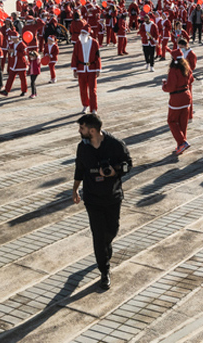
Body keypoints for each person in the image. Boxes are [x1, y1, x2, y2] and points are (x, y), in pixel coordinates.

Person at [71, 113, 133, 291]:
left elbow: (129, 164)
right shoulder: (82, 148)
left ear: (92, 130)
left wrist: (114, 172)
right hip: (92, 199)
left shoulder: (115, 145)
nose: (79, 131)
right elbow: (79, 169)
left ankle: (106, 247)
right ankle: (104, 271)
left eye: (82, 128)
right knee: (98, 236)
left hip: (112, 196)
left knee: (111, 230)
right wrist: (75, 190)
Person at [162, 50, 193, 154]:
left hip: (177, 97)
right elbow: (191, 80)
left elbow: (170, 87)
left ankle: (182, 142)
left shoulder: (173, 70)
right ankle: (180, 145)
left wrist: (164, 85)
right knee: (183, 123)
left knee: (172, 121)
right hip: (187, 95)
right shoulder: (187, 67)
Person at [71, 28, 101, 113]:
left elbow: (97, 56)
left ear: (88, 33)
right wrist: (74, 69)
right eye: (81, 33)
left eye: (84, 33)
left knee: (93, 90)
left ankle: (93, 108)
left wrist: (98, 68)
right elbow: (74, 56)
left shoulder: (94, 43)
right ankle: (85, 105)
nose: (82, 34)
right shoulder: (78, 43)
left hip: (92, 69)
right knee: (83, 89)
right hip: (81, 69)